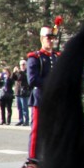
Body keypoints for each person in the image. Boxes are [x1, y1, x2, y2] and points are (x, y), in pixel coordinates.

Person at [26, 16, 63, 159]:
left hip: (54, 99)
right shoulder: (35, 57)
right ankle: (33, 158)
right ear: (42, 39)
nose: (51, 41)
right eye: (49, 38)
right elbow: (32, 79)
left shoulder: (57, 57)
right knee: (37, 130)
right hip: (40, 98)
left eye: (53, 38)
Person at [14, 59, 30, 126]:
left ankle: (26, 120)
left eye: (23, 64)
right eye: (21, 65)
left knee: (24, 107)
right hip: (18, 92)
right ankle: (20, 120)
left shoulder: (27, 72)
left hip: (24, 92)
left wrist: (19, 71)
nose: (22, 66)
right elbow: (14, 78)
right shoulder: (19, 72)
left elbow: (24, 77)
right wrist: (14, 73)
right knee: (19, 107)